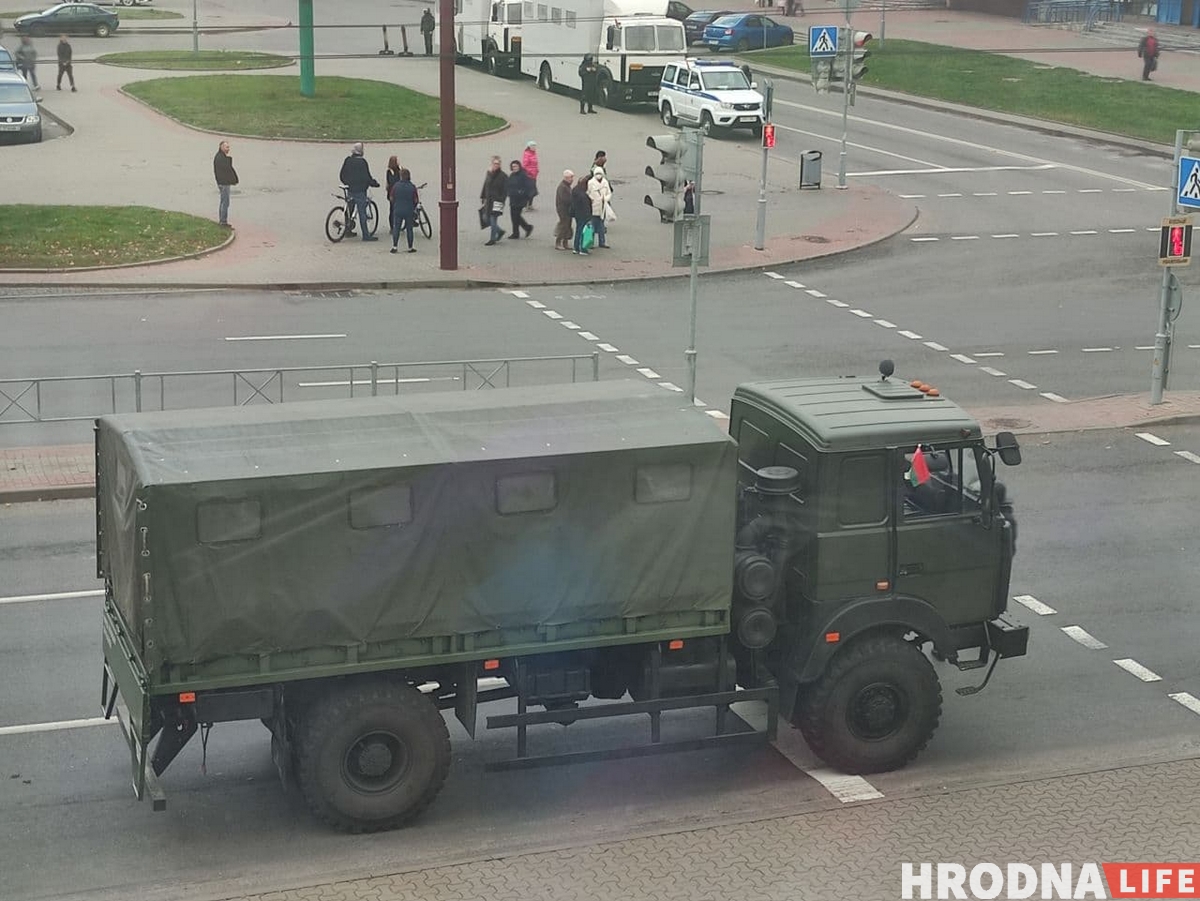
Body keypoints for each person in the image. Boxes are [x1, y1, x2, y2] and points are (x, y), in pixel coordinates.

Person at [338, 142, 380, 241]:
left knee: (350, 209)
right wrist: (374, 183)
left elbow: (342, 174)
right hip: (360, 191)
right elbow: (367, 177)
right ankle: (366, 235)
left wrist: (347, 183)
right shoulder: (362, 162)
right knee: (362, 213)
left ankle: (348, 230)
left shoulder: (348, 160)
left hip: (350, 189)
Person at [389, 167, 418, 253]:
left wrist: (395, 204)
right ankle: (410, 247)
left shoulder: (396, 186)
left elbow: (391, 197)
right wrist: (413, 206)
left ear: (401, 176)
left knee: (396, 228)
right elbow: (416, 200)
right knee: (409, 229)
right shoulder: (412, 187)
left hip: (398, 209)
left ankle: (394, 246)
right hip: (409, 210)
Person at [480, 155, 508, 245]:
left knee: (493, 219)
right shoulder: (489, 173)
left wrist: (501, 200)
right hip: (489, 200)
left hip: (497, 201)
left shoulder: (503, 176)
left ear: (500, 164)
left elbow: (505, 190)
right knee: (485, 218)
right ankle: (499, 231)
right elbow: (485, 185)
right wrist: (483, 196)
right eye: (494, 163)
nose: (496, 165)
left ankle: (493, 239)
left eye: (498, 163)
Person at [506, 159, 534, 239]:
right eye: (513, 166)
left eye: (516, 166)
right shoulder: (511, 175)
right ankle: (525, 228)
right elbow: (508, 185)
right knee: (514, 216)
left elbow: (528, 186)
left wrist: (522, 192)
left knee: (516, 216)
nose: (514, 168)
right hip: (513, 198)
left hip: (520, 199)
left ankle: (518, 232)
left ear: (519, 166)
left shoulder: (523, 175)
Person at [213, 140, 238, 228]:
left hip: (222, 182)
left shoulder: (220, 157)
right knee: (225, 202)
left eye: (228, 147)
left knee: (223, 201)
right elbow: (227, 168)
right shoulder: (220, 158)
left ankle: (222, 220)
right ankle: (223, 221)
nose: (228, 149)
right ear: (221, 147)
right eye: (226, 147)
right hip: (224, 183)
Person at [587, 165, 613, 250]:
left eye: (600, 173)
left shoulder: (605, 182)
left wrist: (606, 198)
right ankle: (590, 242)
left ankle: (602, 242)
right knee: (592, 226)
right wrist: (593, 200)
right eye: (597, 173)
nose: (599, 175)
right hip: (594, 207)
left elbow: (609, 193)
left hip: (603, 207)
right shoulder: (590, 182)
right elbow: (588, 193)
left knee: (601, 226)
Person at [570, 171, 592, 254]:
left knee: (578, 231)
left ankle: (576, 248)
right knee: (584, 232)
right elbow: (586, 208)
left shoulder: (575, 190)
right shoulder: (583, 196)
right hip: (583, 216)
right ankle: (582, 249)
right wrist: (589, 218)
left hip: (577, 214)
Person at [554, 169, 575, 251]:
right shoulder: (562, 187)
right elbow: (565, 199)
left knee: (568, 225)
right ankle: (558, 242)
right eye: (571, 177)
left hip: (567, 209)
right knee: (564, 225)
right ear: (566, 178)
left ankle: (565, 242)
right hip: (563, 209)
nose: (572, 179)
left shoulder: (567, 186)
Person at [522, 141, 540, 210]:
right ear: (529, 147)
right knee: (529, 191)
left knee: (533, 191)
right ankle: (525, 204)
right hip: (529, 175)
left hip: (534, 175)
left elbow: (535, 163)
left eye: (535, 146)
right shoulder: (527, 154)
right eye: (533, 146)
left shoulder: (534, 153)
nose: (534, 147)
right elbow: (524, 165)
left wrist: (537, 170)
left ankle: (530, 205)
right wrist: (530, 172)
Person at [386, 155, 402, 232]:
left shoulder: (400, 169)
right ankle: (392, 227)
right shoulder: (390, 172)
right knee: (392, 210)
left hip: (397, 192)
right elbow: (391, 182)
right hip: (393, 193)